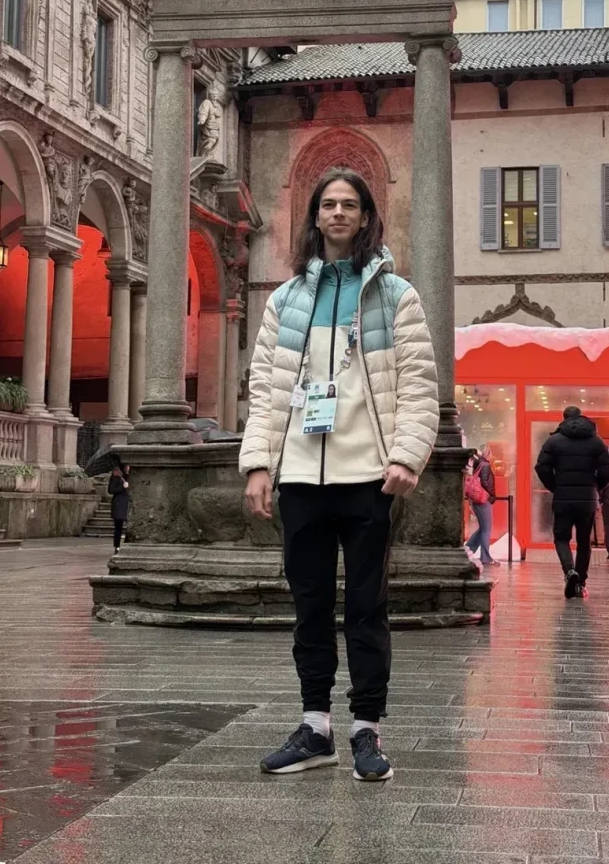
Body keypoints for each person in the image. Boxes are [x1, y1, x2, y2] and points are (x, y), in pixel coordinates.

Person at [241, 167, 439, 782]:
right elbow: (265, 388)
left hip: (368, 476)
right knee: (309, 607)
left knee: (366, 609)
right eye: (328, 204)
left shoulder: (396, 295)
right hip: (301, 475)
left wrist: (407, 456)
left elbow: (418, 383)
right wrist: (258, 464)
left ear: (366, 215)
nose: (337, 213)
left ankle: (366, 730)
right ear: (314, 215)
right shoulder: (285, 300)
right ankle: (316, 728)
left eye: (349, 204)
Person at [535, 406, 609, 599]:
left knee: (561, 538)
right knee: (584, 541)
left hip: (563, 497)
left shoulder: (554, 441)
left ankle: (569, 571)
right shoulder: (596, 441)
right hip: (587, 499)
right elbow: (608, 469)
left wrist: (555, 486)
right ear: (581, 418)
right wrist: (596, 487)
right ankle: (580, 584)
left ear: (564, 419)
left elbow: (542, 467)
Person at [462, 448, 497, 568]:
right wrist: (491, 496)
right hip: (483, 500)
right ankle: (485, 558)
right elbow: (486, 483)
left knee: (482, 528)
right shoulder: (485, 465)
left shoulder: (478, 463)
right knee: (486, 529)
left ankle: (469, 549)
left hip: (476, 500)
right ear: (488, 453)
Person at [107, 460, 130, 554]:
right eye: (127, 466)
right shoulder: (116, 477)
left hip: (128, 504)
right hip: (119, 505)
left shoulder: (129, 476)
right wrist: (122, 487)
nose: (128, 468)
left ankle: (128, 544)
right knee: (118, 528)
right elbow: (111, 490)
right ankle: (117, 546)